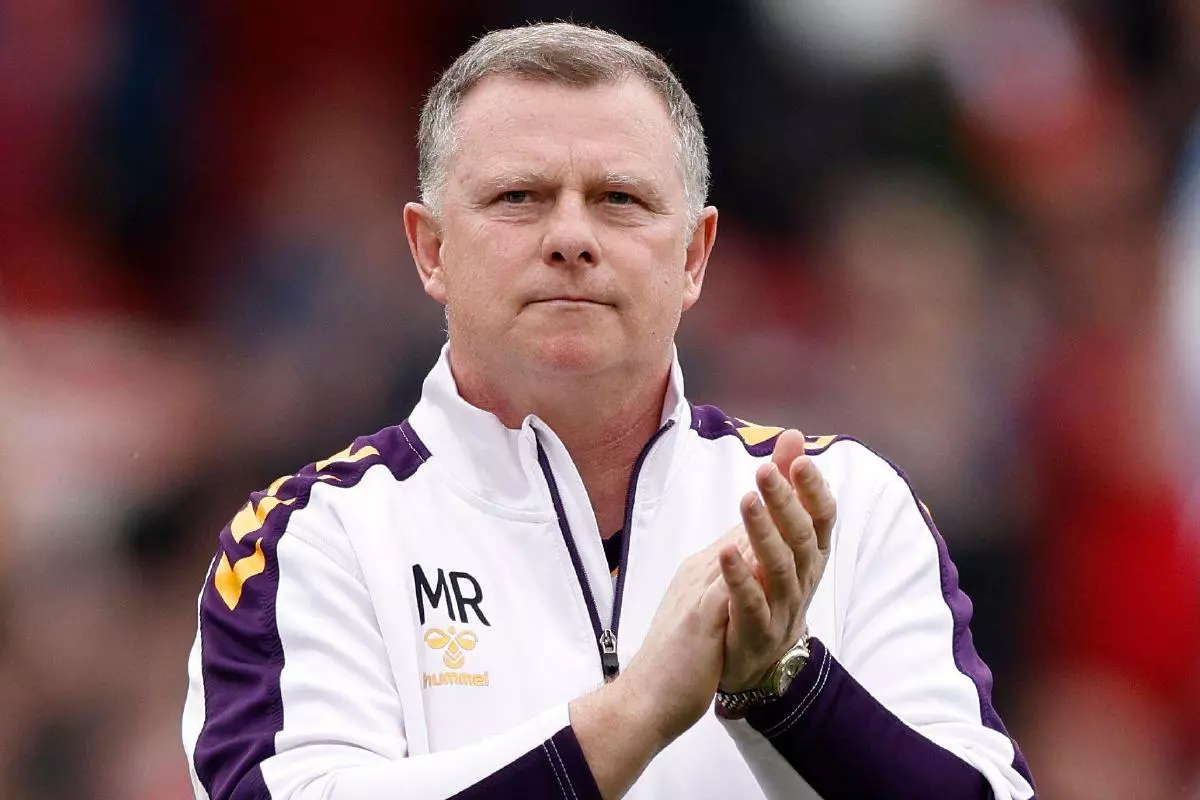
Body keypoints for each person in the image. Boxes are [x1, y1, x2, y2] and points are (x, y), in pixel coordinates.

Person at [181, 22, 1036, 800]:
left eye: (619, 199)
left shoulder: (843, 504)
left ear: (696, 256)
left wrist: (790, 690)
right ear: (431, 250)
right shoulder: (314, 541)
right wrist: (631, 715)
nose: (570, 236)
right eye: (518, 197)